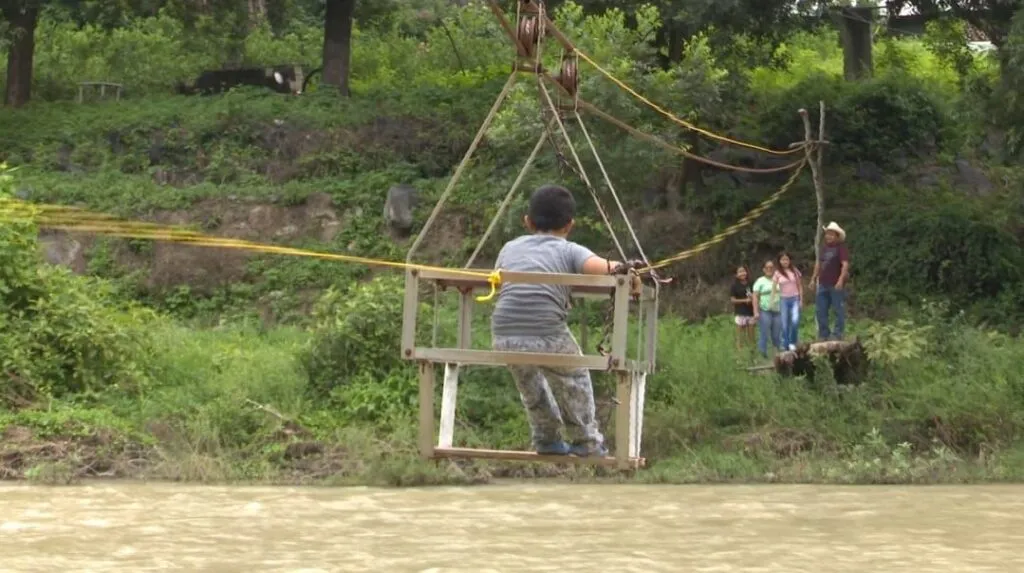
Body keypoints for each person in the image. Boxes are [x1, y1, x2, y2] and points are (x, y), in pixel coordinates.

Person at [490, 184, 638, 458]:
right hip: (547, 333)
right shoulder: (570, 250)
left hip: (504, 335)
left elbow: (497, 281)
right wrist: (631, 272)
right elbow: (605, 268)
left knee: (530, 386)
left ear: (527, 221)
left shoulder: (509, 248)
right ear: (570, 225)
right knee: (575, 377)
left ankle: (546, 439)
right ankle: (587, 442)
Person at [810, 221, 850, 341]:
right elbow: (818, 264)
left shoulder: (841, 249)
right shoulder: (824, 249)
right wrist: (813, 279)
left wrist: (840, 280)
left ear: (837, 236)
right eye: (827, 234)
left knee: (838, 309)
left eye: (831, 234)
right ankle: (824, 334)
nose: (828, 236)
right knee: (820, 310)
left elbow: (845, 265)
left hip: (835, 284)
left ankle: (837, 334)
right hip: (823, 283)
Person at [773, 251, 803, 351]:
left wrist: (801, 300)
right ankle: (785, 344)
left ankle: (792, 341)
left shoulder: (795, 271)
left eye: (786, 259)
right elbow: (774, 289)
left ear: (789, 260)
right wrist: (773, 301)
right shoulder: (777, 273)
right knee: (784, 323)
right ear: (779, 261)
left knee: (795, 321)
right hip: (783, 300)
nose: (785, 261)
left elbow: (800, 286)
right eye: (782, 260)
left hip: (795, 298)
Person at [752, 259, 782, 357]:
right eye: (767, 268)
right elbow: (755, 297)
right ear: (764, 269)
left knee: (777, 335)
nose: (769, 269)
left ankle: (779, 355)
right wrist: (756, 311)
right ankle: (763, 354)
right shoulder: (760, 281)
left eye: (771, 267)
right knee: (764, 333)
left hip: (778, 311)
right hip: (765, 311)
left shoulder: (779, 279)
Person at [729, 265, 755, 351]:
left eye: (743, 271)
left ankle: (752, 354)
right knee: (741, 336)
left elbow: (755, 295)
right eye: (740, 272)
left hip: (751, 312)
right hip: (740, 312)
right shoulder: (734, 286)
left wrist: (752, 297)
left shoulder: (751, 283)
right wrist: (744, 300)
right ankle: (741, 356)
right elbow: (733, 300)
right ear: (736, 275)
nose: (742, 273)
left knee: (751, 335)